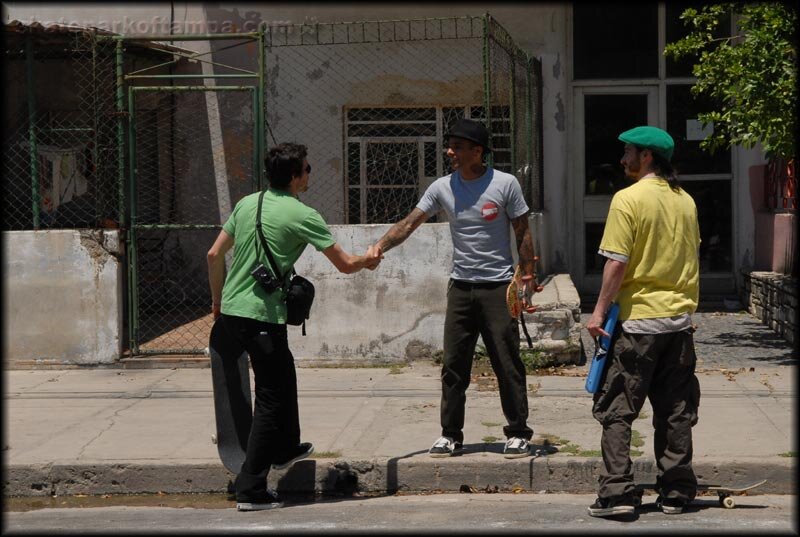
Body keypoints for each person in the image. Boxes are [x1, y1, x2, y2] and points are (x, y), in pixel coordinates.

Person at [207, 142, 381, 511]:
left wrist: (218, 301)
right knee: (271, 397)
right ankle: (251, 489)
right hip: (262, 317)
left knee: (284, 376)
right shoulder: (303, 214)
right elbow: (346, 264)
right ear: (295, 176)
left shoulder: (247, 204)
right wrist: (369, 258)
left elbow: (213, 254)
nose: (310, 173)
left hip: (233, 314)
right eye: (307, 168)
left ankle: (286, 447)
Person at [369, 118, 540, 459]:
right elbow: (410, 223)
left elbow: (521, 231)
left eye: (458, 147)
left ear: (478, 152)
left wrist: (528, 278)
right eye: (450, 146)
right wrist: (379, 247)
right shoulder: (442, 187)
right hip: (460, 288)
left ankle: (518, 432)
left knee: (506, 362)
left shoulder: (505, 184)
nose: (450, 152)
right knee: (453, 365)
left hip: (497, 289)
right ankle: (450, 434)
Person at [586, 126, 701, 518]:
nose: (622, 160)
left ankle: (617, 492)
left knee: (618, 409)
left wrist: (599, 311)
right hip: (679, 325)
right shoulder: (686, 201)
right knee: (675, 410)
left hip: (638, 325)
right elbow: (690, 259)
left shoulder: (628, 199)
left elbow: (616, 262)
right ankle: (677, 492)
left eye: (627, 152)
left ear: (646, 157)